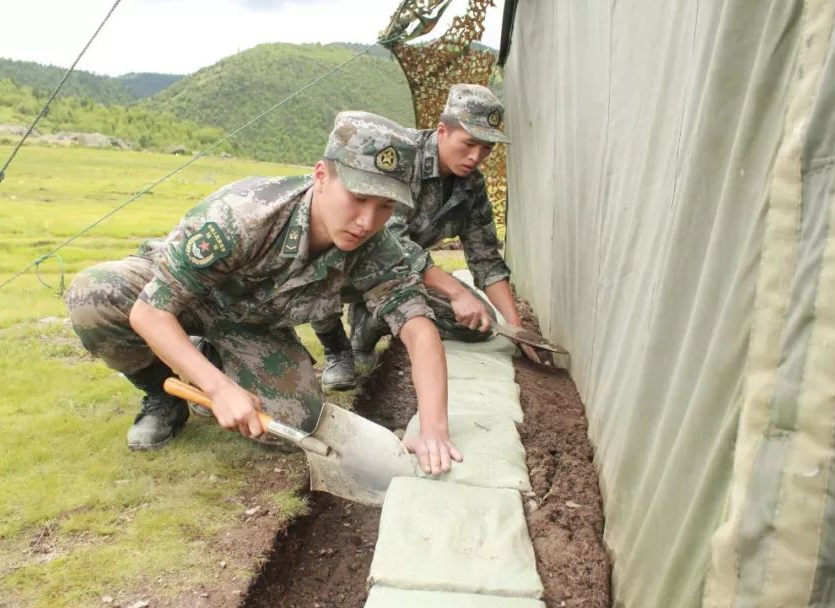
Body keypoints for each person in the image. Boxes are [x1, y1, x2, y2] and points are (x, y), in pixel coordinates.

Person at [64, 111, 462, 474]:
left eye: (385, 207)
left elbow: (418, 327)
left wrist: (433, 429)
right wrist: (219, 390)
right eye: (358, 198)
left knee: (295, 427)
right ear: (321, 176)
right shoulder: (242, 216)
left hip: (251, 325)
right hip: (184, 297)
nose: (366, 221)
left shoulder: (378, 248)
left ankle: (207, 358)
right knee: (92, 296)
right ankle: (161, 395)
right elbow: (150, 313)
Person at [313, 83, 539, 391]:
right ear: (442, 130)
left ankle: (372, 320)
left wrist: (515, 329)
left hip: (409, 275)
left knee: (480, 322)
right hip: (355, 264)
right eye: (469, 143)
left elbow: (486, 259)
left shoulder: (471, 185)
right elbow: (393, 239)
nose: (476, 157)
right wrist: (457, 293)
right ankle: (342, 349)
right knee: (322, 274)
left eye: (487, 148)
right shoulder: (401, 157)